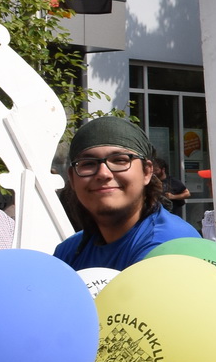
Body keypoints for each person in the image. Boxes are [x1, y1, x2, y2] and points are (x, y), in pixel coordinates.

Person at [54, 116, 200, 270]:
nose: (103, 173)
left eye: (119, 160)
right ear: (72, 177)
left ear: (147, 172)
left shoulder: (169, 246)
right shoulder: (69, 251)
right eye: (88, 163)